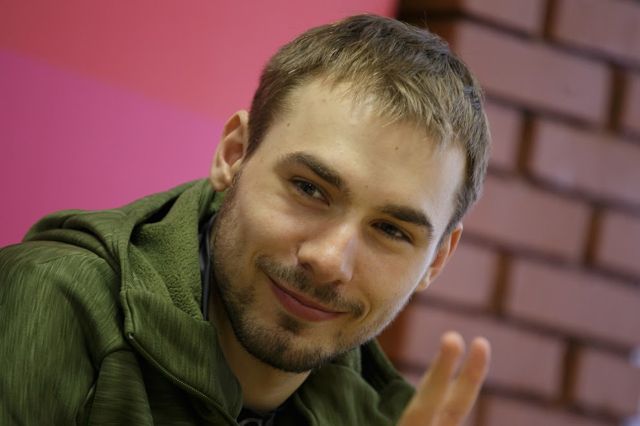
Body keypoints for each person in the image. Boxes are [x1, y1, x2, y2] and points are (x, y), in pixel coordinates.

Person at [0, 14, 491, 425]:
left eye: (390, 230)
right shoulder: (51, 298)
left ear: (436, 261)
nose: (328, 260)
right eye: (309, 189)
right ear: (234, 154)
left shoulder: (382, 417)